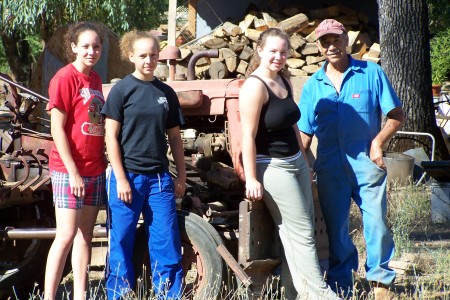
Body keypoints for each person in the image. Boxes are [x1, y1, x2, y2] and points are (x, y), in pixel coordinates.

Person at [298, 19, 405, 298]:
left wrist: (377, 144)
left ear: (347, 40)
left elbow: (396, 116)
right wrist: (303, 165)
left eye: (336, 39)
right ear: (320, 47)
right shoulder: (313, 85)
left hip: (366, 164)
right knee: (336, 230)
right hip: (330, 167)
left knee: (377, 223)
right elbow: (305, 134)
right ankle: (341, 284)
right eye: (325, 42)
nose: (331, 46)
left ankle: (380, 282)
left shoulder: (371, 72)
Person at [239, 27, 339, 300]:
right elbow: (246, 137)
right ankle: (319, 294)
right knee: (302, 232)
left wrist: (305, 162)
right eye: (272, 51)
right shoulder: (254, 86)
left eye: (283, 52)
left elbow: (292, 123)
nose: (278, 57)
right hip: (271, 166)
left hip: (295, 161)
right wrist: (251, 178)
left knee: (296, 233)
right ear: (259, 51)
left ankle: (293, 293)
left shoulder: (284, 80)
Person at [101, 30, 185, 299]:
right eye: (143, 55)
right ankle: (119, 295)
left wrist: (180, 176)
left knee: (165, 243)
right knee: (121, 242)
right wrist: (121, 178)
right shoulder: (121, 90)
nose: (149, 60)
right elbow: (110, 137)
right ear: (131, 57)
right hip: (127, 179)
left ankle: (168, 295)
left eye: (153, 55)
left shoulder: (166, 93)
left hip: (159, 180)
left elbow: (174, 137)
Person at [44, 21, 106, 300]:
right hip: (69, 170)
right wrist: (73, 172)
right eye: (85, 46)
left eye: (96, 46)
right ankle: (49, 295)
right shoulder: (64, 78)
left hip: (94, 167)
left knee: (85, 235)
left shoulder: (95, 80)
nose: (91, 51)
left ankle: (81, 295)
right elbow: (57, 128)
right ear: (73, 48)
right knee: (66, 234)